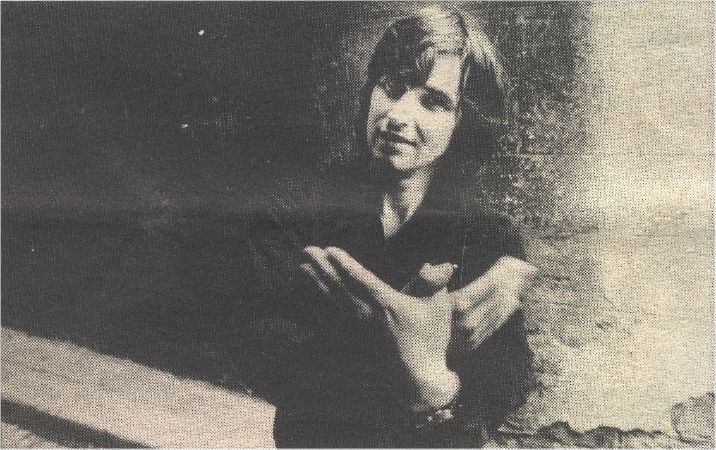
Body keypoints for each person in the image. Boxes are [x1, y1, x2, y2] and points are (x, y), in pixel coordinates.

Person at [237, 6, 538, 447]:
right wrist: (403, 361)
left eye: (433, 101)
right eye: (392, 87)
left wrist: (435, 387)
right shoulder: (305, 207)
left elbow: (505, 381)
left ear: (463, 122)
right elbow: (261, 346)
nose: (398, 114)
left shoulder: (488, 236)